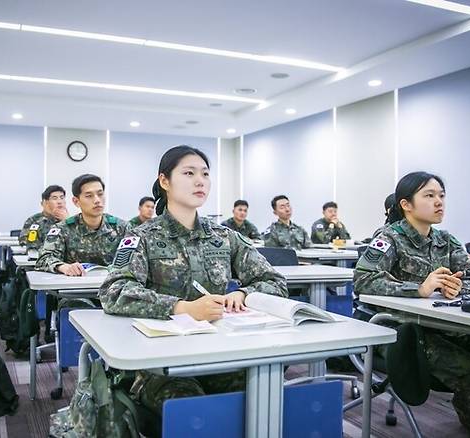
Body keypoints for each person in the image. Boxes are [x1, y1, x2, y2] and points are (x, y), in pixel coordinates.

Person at [99, 145, 287, 434]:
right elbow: (114, 290)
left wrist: (243, 294)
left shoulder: (224, 237)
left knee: (268, 392)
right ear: (164, 181)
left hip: (219, 353)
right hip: (161, 364)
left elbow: (274, 280)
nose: (200, 181)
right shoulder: (140, 236)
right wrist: (183, 308)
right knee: (195, 412)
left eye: (205, 174)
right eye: (189, 173)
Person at [354, 171, 470, 438]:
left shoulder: (446, 239)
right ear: (406, 204)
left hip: (449, 326)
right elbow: (363, 279)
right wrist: (418, 289)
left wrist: (456, 286)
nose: (439, 202)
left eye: (441, 196)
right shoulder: (390, 238)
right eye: (429, 196)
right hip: (406, 332)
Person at [35, 174, 130, 275]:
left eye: (100, 194)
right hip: (74, 287)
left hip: (112, 287)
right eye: (89, 196)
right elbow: (43, 259)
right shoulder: (63, 229)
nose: (97, 200)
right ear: (76, 201)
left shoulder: (122, 227)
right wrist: (63, 267)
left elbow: (137, 258)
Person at [19, 185, 69, 251]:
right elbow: (27, 244)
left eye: (62, 198)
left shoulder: (70, 220)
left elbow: (78, 245)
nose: (59, 202)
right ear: (45, 203)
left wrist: (66, 221)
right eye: (54, 198)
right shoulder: (34, 221)